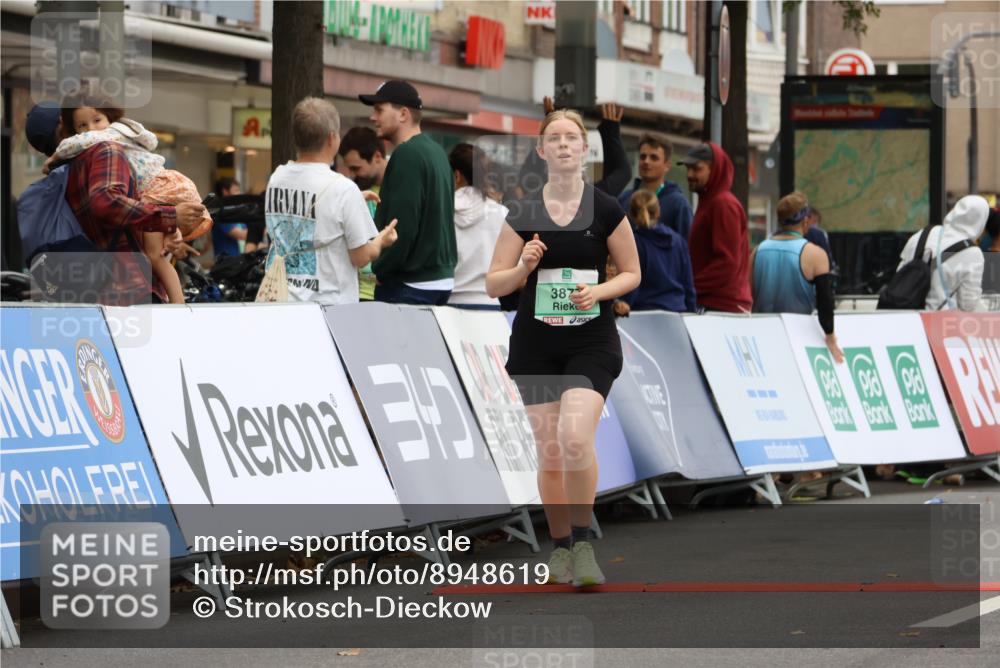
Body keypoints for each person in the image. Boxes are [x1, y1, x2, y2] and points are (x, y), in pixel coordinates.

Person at [486, 110, 641, 588]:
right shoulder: (523, 212)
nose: (565, 145)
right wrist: (524, 267)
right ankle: (559, 551)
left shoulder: (606, 208)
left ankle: (584, 546)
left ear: (585, 149)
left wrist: (599, 292)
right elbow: (495, 284)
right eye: (555, 138)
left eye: (573, 137)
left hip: (591, 341)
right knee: (551, 452)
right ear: (542, 150)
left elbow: (633, 272)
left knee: (576, 438)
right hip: (536, 344)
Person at [53, 89, 211, 303]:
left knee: (155, 254)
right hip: (129, 278)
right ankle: (178, 307)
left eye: (97, 120)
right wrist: (170, 219)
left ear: (110, 117)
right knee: (157, 254)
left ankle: (178, 306)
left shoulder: (103, 144)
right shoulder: (104, 149)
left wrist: (53, 158)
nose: (91, 130)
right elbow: (107, 203)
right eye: (83, 126)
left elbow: (107, 203)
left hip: (157, 188)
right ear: (73, 129)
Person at [264, 97, 398, 305]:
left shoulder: (276, 179)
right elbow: (361, 257)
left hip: (282, 301)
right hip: (329, 308)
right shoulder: (343, 189)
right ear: (332, 138)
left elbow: (304, 211)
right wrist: (382, 239)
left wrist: (353, 202)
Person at [359, 80, 456, 305]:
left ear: (403, 114)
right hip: (439, 279)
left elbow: (400, 225)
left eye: (379, 110)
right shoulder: (437, 152)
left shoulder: (407, 155)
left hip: (409, 283)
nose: (373, 117)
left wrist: (380, 268)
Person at [751, 192, 843, 362]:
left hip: (761, 337)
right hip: (798, 339)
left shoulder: (757, 251)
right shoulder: (815, 254)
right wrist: (830, 336)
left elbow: (749, 295)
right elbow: (825, 301)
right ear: (806, 221)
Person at [681, 142, 752, 313]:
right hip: (716, 304)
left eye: (697, 169)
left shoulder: (723, 204)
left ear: (714, 170)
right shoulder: (711, 202)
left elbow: (727, 262)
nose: (690, 174)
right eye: (688, 168)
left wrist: (690, 286)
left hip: (722, 307)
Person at [896, 195, 990, 312]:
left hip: (905, 317)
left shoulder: (921, 234)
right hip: (939, 322)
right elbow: (968, 304)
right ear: (981, 220)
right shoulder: (972, 253)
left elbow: (900, 272)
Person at [448, 143, 508, 310]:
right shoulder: (502, 213)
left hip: (449, 304)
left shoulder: (442, 210)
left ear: (456, 175)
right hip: (489, 303)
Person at [619, 190, 696, 313]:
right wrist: (692, 311)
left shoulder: (634, 243)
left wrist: (622, 304)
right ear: (658, 212)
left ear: (631, 214)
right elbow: (688, 283)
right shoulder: (678, 241)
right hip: (678, 312)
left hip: (644, 314)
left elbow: (632, 286)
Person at [338, 126, 389, 300]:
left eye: (356, 168)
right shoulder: (354, 190)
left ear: (376, 157)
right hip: (356, 290)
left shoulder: (397, 188)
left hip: (386, 288)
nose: (352, 175)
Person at [617, 134, 694, 239]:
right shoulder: (624, 199)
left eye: (654, 157)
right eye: (643, 157)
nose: (646, 161)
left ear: (667, 165)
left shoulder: (679, 204)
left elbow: (686, 248)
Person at [210, 177, 248, 259]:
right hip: (226, 264)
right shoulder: (220, 213)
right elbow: (240, 234)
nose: (239, 193)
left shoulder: (237, 211)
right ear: (225, 192)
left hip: (239, 261)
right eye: (236, 190)